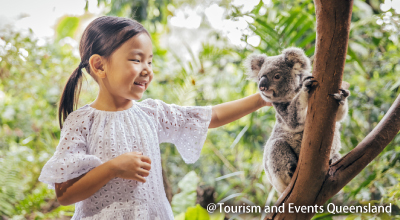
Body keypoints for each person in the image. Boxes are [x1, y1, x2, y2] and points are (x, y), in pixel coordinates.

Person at [38, 16, 271, 220]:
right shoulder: (81, 123)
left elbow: (211, 115)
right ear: (99, 65)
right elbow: (65, 194)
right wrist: (112, 168)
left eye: (150, 61)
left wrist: (262, 98)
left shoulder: (152, 113)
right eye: (136, 60)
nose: (148, 69)